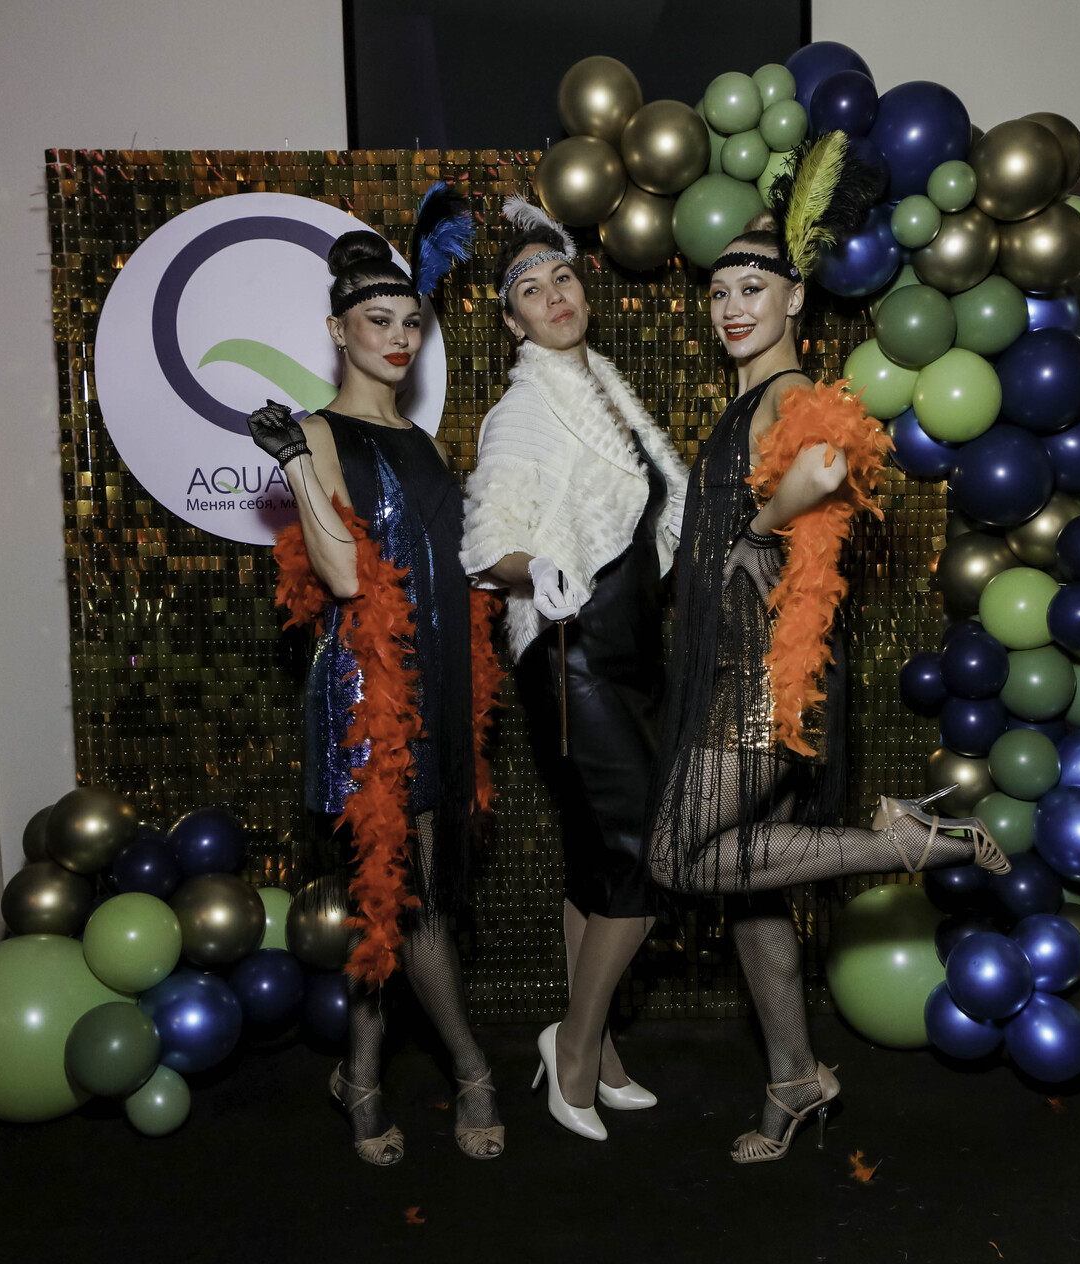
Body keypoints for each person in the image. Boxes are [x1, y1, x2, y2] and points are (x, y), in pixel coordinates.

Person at [646, 134, 1006, 1164]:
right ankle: (796, 1078)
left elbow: (822, 464)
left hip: (765, 675)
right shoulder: (746, 396)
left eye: (753, 288)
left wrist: (756, 529)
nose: (732, 306)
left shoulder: (786, 391)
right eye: (720, 291)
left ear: (796, 298)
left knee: (677, 852)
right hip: (740, 663)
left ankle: (915, 842)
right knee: (752, 888)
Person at [249, 190, 505, 1165]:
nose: (398, 338)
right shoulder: (318, 432)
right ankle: (471, 1069)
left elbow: (448, 567)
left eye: (410, 322)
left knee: (393, 894)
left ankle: (359, 1075)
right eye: (377, 321)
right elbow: (347, 574)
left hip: (436, 680)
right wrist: (296, 468)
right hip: (367, 689)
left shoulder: (422, 439)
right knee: (397, 886)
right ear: (337, 331)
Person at [461, 199, 690, 1142]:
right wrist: (538, 568)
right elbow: (488, 545)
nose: (553, 296)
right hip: (573, 656)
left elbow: (653, 520)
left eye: (562, 278)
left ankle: (601, 1049)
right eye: (531, 290)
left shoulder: (606, 392)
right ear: (512, 322)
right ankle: (576, 1052)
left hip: (634, 652)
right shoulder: (524, 410)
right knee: (645, 855)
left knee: (599, 860)